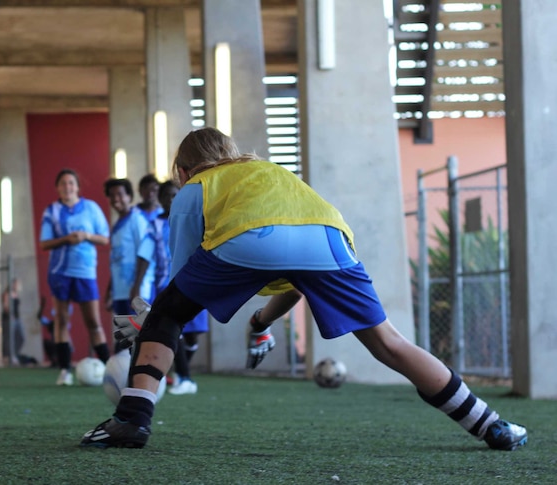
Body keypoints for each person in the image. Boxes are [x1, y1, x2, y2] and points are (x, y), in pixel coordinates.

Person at [80, 127, 528, 451]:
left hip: (247, 240)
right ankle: (493, 426)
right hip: (332, 240)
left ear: (181, 170)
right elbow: (298, 278)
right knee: (390, 344)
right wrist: (259, 323)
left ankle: (132, 420)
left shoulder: (197, 185)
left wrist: (144, 322)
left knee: (168, 314)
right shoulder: (271, 175)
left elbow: (178, 287)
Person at [40, 168, 111, 385]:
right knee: (61, 320)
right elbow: (44, 243)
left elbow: (104, 238)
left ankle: (110, 369)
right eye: (63, 183)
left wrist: (86, 236)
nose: (67, 187)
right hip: (60, 272)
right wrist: (66, 239)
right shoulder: (51, 212)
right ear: (57, 188)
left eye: (71, 183)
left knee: (93, 321)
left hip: (85, 272)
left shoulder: (91, 208)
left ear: (77, 187)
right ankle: (64, 371)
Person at [151, 181, 212, 396]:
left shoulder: (192, 220)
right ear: (160, 199)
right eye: (167, 195)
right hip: (167, 284)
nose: (171, 199)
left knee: (193, 335)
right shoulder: (156, 224)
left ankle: (179, 371)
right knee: (173, 328)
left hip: (193, 281)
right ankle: (186, 377)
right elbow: (148, 257)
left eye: (175, 194)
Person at [103, 178, 155, 317]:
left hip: (138, 291)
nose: (115, 199)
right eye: (111, 195)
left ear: (129, 196)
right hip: (120, 292)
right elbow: (116, 260)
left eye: (120, 194)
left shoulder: (137, 220)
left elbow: (146, 253)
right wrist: (110, 290)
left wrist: (137, 287)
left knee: (141, 334)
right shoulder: (116, 225)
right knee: (125, 336)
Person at [1, 278, 35, 366]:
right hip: (9, 318)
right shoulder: (7, 294)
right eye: (15, 284)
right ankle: (7, 356)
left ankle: (14, 353)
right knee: (8, 338)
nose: (17, 286)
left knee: (21, 337)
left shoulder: (16, 294)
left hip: (17, 318)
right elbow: (5, 306)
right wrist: (10, 314)